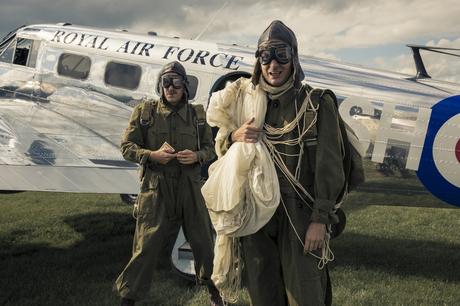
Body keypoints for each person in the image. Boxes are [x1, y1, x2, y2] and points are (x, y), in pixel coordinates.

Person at [207, 20, 346, 306]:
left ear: (293, 58)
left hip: (300, 214)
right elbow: (220, 147)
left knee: (305, 294)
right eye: (266, 56)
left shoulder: (317, 104)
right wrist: (235, 135)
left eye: (281, 55)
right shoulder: (243, 100)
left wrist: (320, 220)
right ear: (258, 61)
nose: (273, 65)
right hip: (256, 215)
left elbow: (330, 168)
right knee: (263, 292)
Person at [114, 61, 223, 306]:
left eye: (176, 82)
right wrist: (151, 155)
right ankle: (128, 299)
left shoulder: (198, 116)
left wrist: (197, 156)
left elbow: (210, 148)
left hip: (189, 188)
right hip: (156, 188)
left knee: (204, 242)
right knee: (146, 246)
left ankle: (216, 293)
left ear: (185, 86)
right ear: (160, 85)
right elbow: (126, 147)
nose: (170, 87)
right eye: (166, 82)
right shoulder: (145, 113)